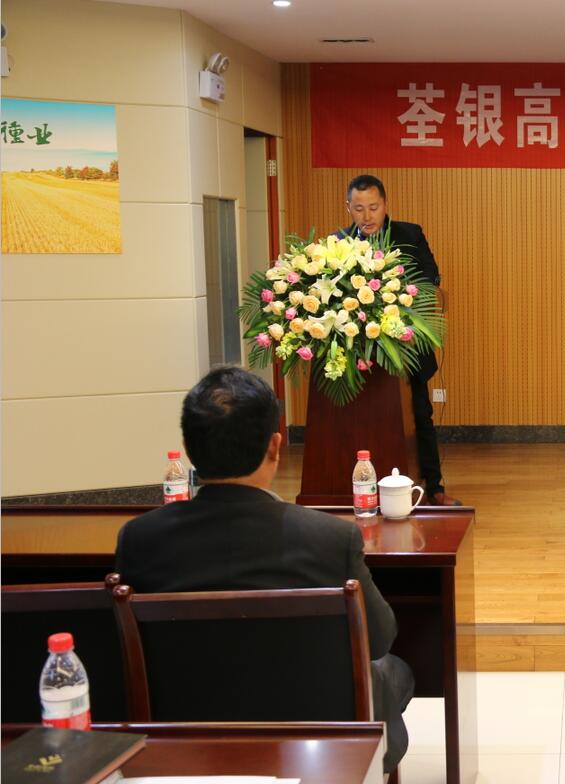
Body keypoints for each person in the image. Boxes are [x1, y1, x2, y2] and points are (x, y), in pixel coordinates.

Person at [115, 367, 414, 771]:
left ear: (188, 449)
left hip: (184, 734)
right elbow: (379, 639)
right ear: (275, 447)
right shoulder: (330, 538)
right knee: (393, 670)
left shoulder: (138, 539)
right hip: (311, 734)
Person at [339, 173, 460, 506]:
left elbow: (430, 279)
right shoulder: (339, 244)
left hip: (407, 347)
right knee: (359, 420)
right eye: (359, 208)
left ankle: (433, 487)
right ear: (348, 207)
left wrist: (400, 295)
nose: (367, 216)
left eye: (373, 207)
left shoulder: (410, 234)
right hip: (358, 353)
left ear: (385, 204)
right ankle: (360, 487)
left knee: (420, 415)